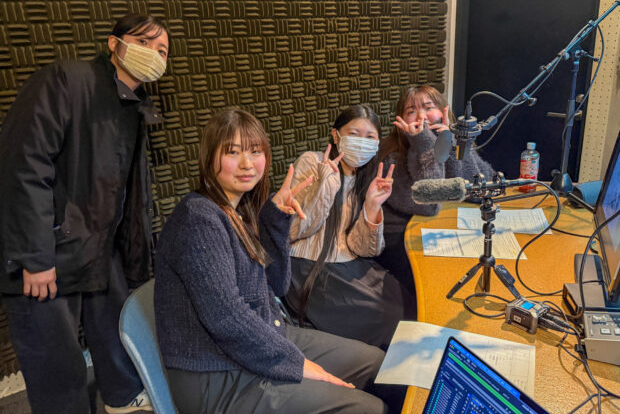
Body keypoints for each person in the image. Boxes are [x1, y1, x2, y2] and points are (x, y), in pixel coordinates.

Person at [154, 109, 390, 414]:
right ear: (209, 157)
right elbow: (226, 318)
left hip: (261, 338)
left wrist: (275, 221)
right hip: (217, 374)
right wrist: (296, 363)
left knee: (377, 365)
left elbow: (276, 285)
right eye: (232, 152)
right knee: (369, 408)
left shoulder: (241, 211)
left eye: (255, 151)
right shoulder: (198, 219)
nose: (247, 164)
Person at [0, 13, 169, 413]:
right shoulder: (66, 82)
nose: (153, 54)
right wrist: (35, 257)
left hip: (98, 247)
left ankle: (122, 398)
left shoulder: (133, 107)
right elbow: (24, 167)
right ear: (114, 43)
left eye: (162, 50)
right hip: (49, 250)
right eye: (144, 42)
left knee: (115, 334)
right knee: (54, 360)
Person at [284, 105, 416, 351]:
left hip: (350, 263)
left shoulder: (366, 176)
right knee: (388, 319)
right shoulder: (312, 161)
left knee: (409, 305)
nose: (361, 142)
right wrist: (325, 185)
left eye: (370, 137)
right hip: (309, 266)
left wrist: (372, 206)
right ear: (336, 136)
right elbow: (295, 230)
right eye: (354, 134)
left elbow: (363, 248)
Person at [377, 84, 495, 295]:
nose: (421, 116)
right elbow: (429, 205)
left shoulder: (449, 139)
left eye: (428, 107)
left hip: (442, 229)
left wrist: (455, 144)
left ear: (443, 111)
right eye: (411, 111)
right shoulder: (390, 156)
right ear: (401, 120)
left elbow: (482, 189)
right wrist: (424, 144)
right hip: (402, 240)